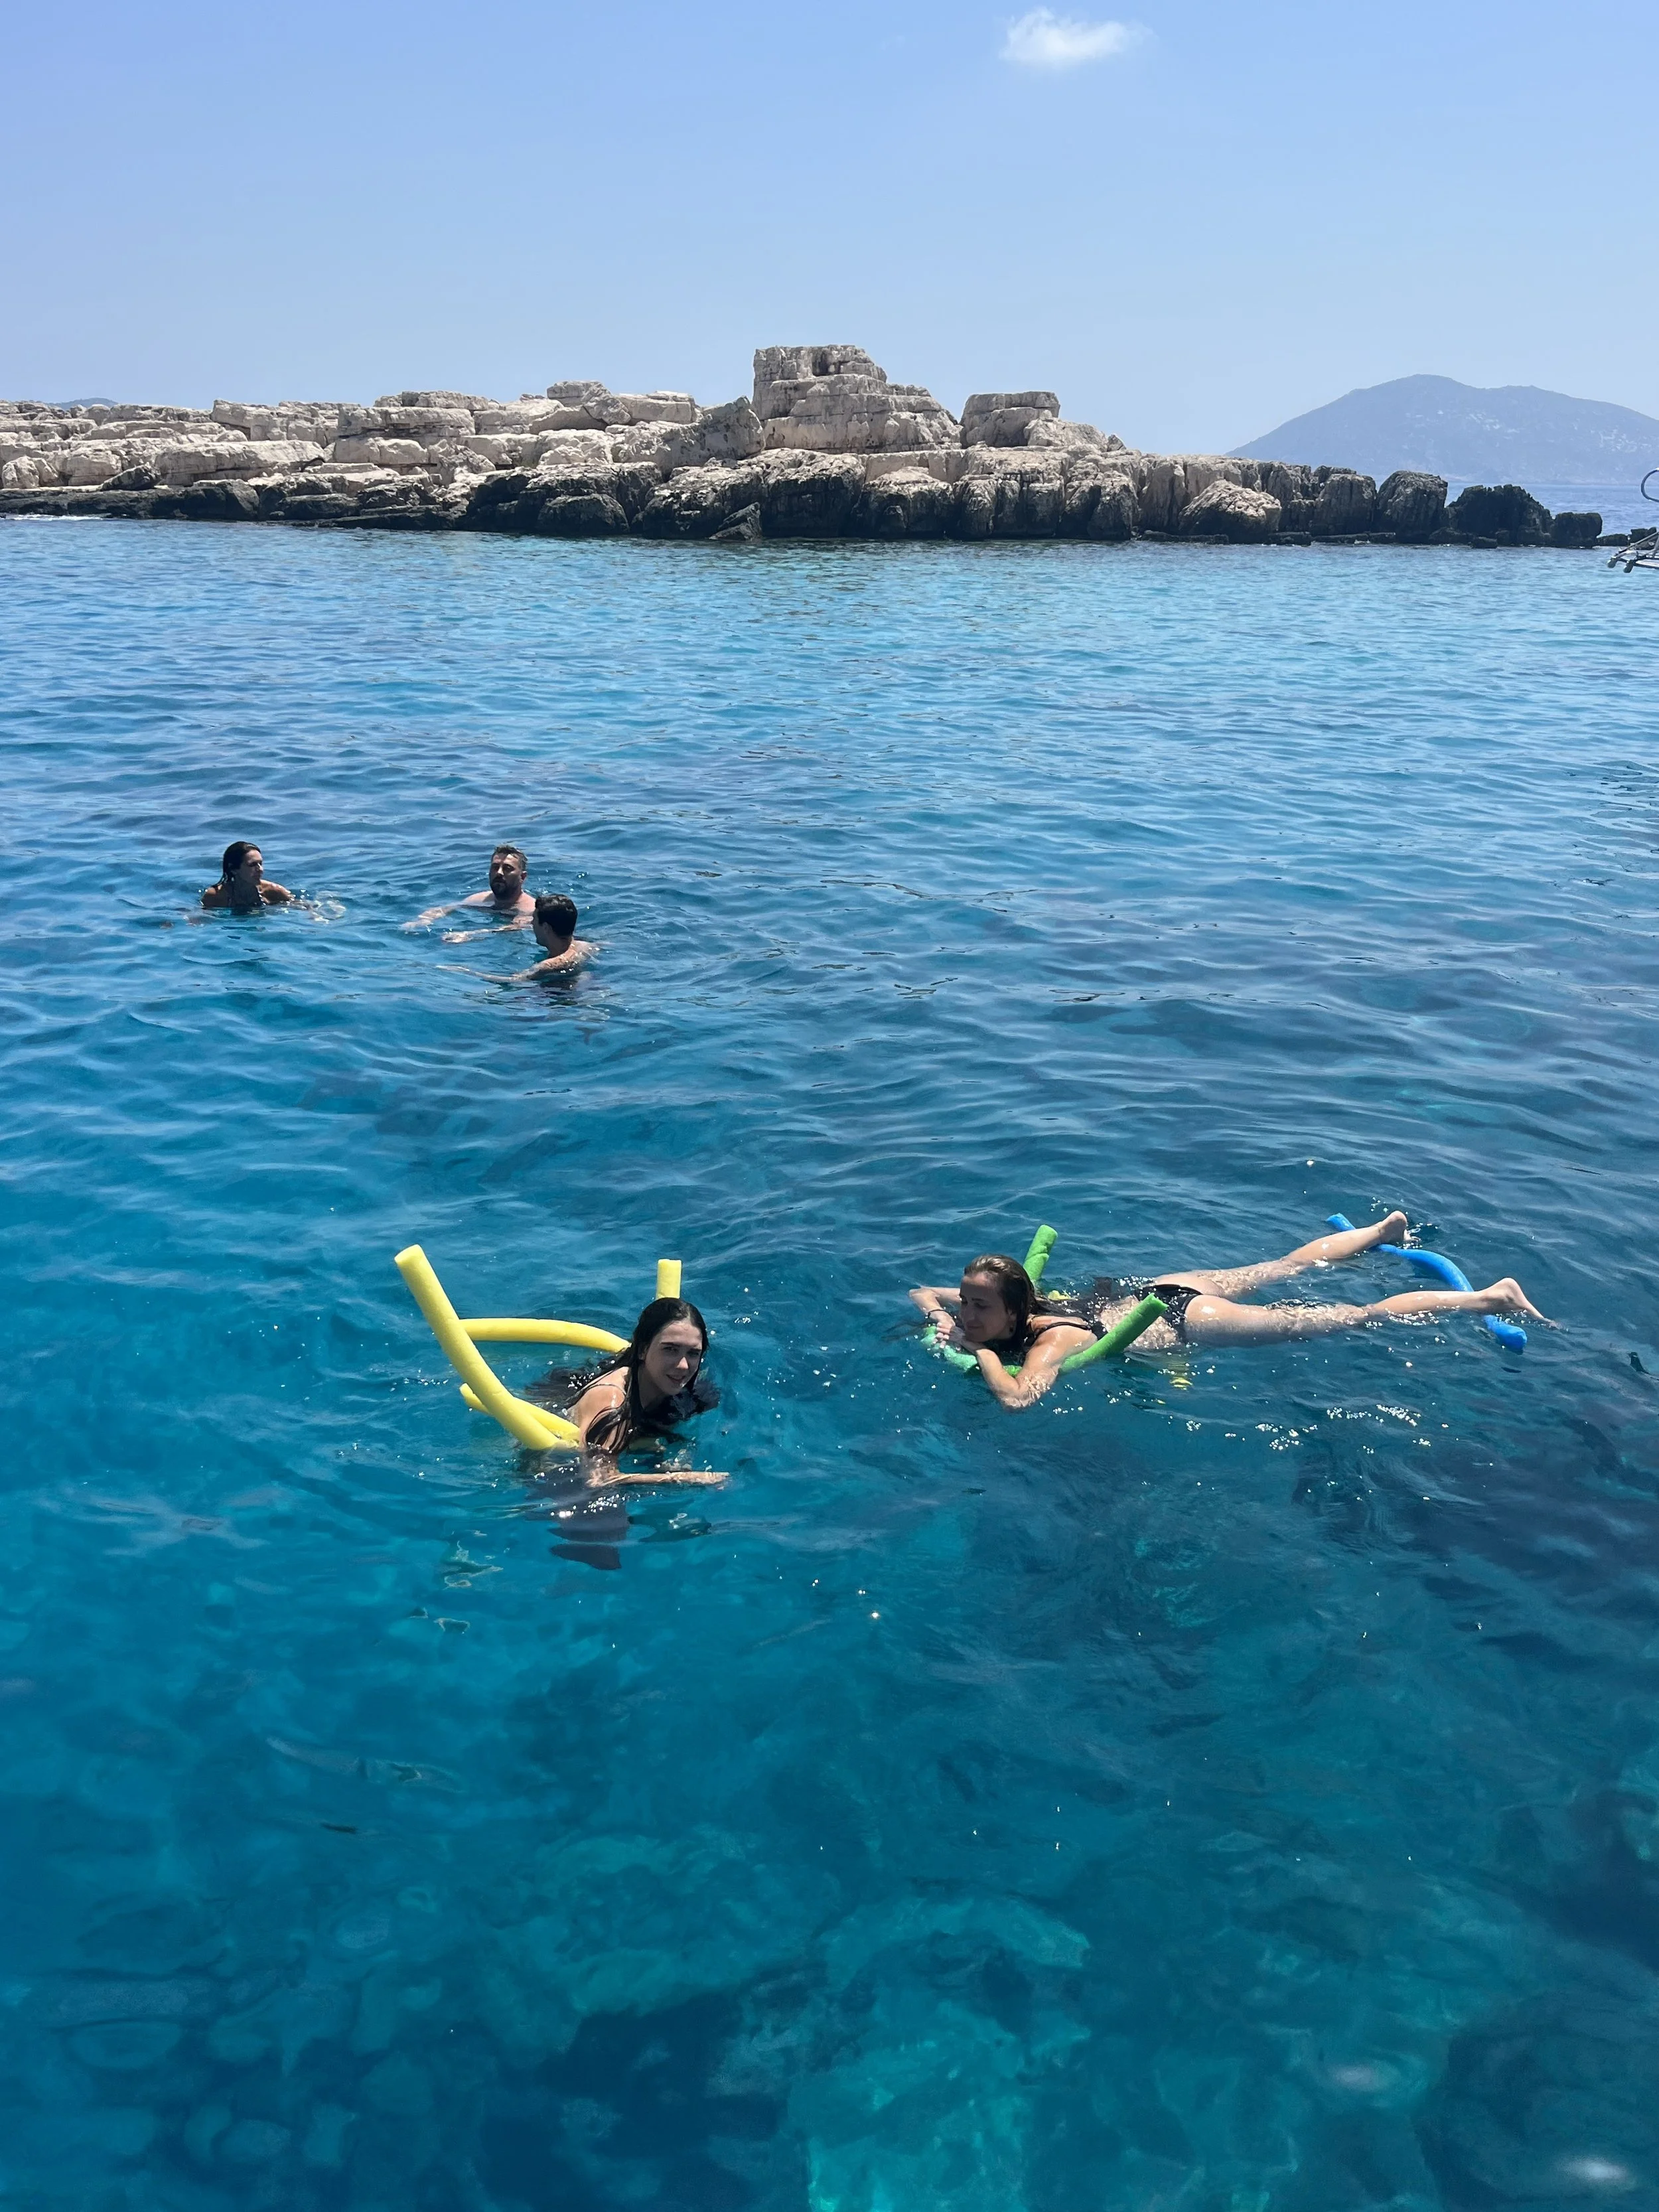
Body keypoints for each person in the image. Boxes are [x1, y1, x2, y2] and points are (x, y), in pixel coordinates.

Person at [910, 1213, 1546, 1411]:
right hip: (1162, 1286)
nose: (965, 1310)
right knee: (1283, 1265)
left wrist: (985, 1354)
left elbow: (1020, 1400)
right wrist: (936, 1311)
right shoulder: (1017, 1304)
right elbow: (925, 1292)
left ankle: (1488, 1296)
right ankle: (1383, 1229)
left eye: (978, 1305)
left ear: (1015, 1310)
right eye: (966, 1301)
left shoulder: (1048, 1344)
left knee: (1352, 1315)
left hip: (1190, 1320)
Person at [555, 1297, 725, 1485]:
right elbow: (598, 1480)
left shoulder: (691, 1392)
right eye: (670, 1349)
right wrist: (683, 1478)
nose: (683, 1365)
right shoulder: (611, 1402)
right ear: (643, 1350)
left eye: (693, 1353)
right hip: (556, 1463)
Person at [408, 844, 535, 936]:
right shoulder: (480, 899)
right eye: (495, 867)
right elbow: (447, 908)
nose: (499, 873)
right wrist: (422, 920)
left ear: (522, 877)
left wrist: (470, 935)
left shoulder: (530, 909)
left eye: (507, 868)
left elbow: (514, 928)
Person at [505, 894, 595, 982]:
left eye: (534, 920)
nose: (532, 924)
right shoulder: (586, 947)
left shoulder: (546, 967)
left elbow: (515, 981)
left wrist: (490, 978)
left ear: (545, 928)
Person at [200, 842, 293, 911]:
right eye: (252, 865)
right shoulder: (217, 895)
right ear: (234, 869)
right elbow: (201, 914)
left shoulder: (274, 891)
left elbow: (303, 905)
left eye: (260, 863)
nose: (260, 869)